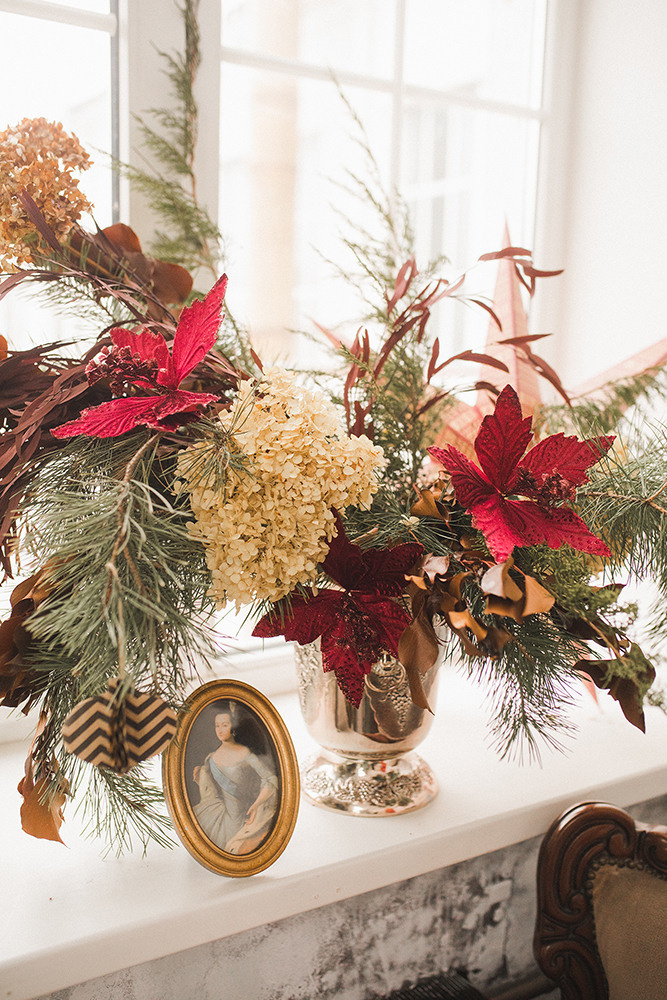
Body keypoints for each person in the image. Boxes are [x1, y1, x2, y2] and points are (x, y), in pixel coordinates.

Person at [192, 704, 279, 855]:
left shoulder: (244, 753)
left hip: (244, 814)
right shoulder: (212, 758)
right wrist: (201, 774)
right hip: (223, 816)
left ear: (233, 727)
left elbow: (270, 778)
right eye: (217, 726)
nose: (220, 730)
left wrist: (256, 804)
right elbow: (209, 793)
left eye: (224, 725)